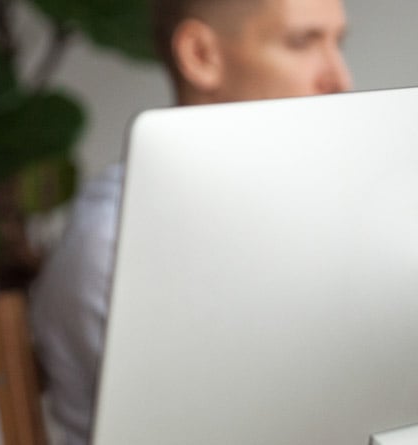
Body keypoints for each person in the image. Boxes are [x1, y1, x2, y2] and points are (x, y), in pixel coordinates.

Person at [27, 0, 352, 444]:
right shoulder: (120, 245)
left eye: (338, 43)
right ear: (201, 54)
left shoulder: (334, 211)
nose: (339, 81)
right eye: (301, 43)